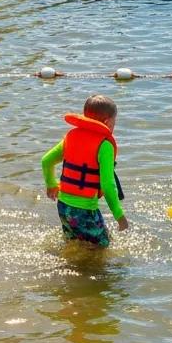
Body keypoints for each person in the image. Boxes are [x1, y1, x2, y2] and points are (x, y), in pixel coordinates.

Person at [41, 94, 129, 247]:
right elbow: (108, 185)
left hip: (63, 206)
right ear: (108, 122)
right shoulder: (105, 145)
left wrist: (51, 184)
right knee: (103, 248)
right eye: (115, 122)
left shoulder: (71, 136)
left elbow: (46, 161)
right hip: (85, 210)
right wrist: (119, 215)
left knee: (74, 243)